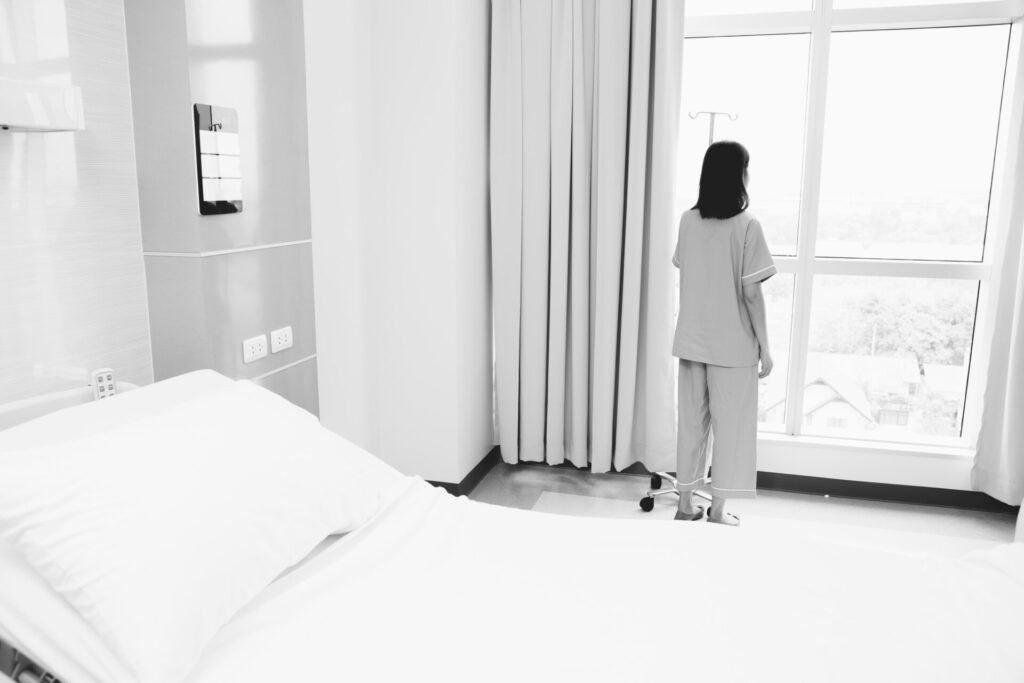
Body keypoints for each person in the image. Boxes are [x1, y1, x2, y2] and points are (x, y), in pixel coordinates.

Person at [671, 141, 775, 526]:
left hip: (692, 341)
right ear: (738, 176)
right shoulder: (748, 226)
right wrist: (765, 346)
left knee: (691, 426)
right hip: (733, 348)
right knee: (731, 430)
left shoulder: (687, 220)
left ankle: (685, 505)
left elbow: (687, 268)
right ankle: (716, 511)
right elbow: (752, 293)